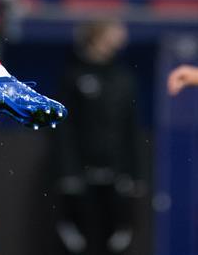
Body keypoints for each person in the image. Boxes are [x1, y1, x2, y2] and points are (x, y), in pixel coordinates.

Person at [53, 21, 141, 255]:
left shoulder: (123, 79)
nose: (120, 37)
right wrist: (69, 172)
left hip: (116, 176)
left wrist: (131, 174)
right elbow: (65, 129)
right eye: (113, 31)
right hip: (81, 175)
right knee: (78, 240)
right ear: (98, 36)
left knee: (117, 240)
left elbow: (130, 130)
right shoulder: (73, 76)